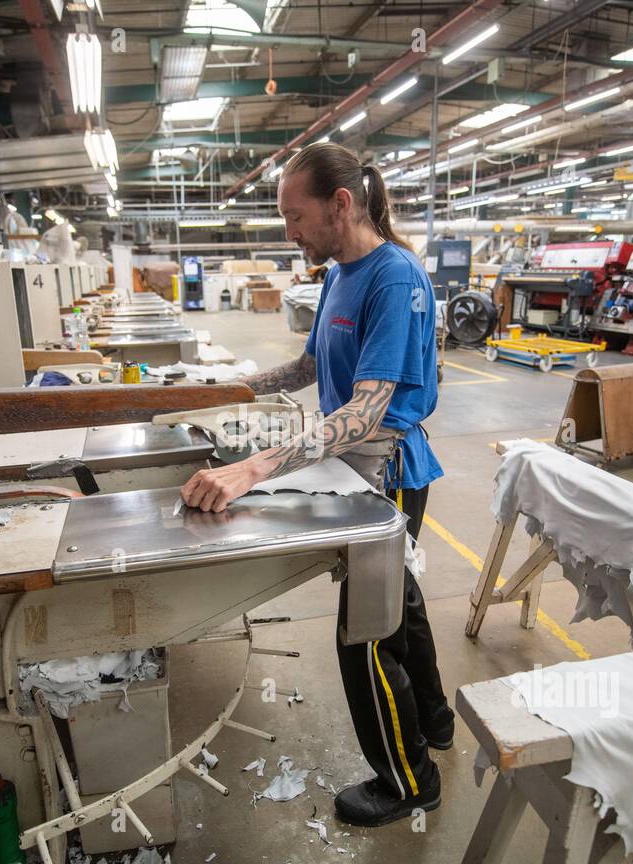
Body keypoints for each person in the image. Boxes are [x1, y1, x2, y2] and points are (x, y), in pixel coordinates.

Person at [179, 142, 453, 827]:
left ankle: (408, 780)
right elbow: (309, 364)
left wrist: (253, 469)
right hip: (347, 459)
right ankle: (438, 720)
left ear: (340, 204)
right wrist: (228, 389)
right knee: (403, 601)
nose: (288, 233)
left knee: (365, 633)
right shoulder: (338, 272)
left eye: (294, 217)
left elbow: (364, 411)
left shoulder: (396, 278)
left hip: (384, 469)